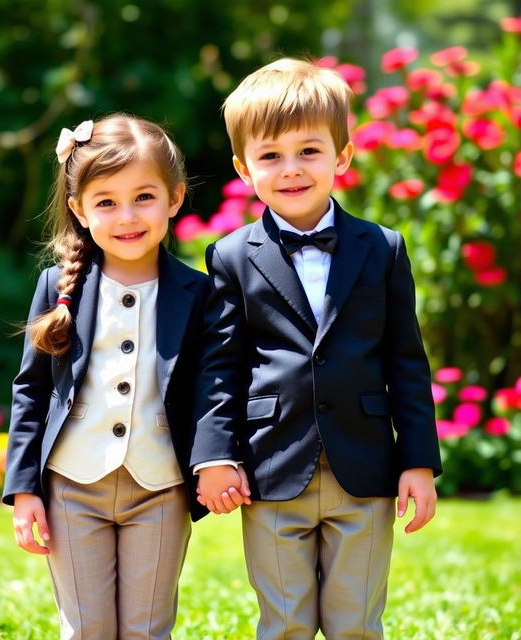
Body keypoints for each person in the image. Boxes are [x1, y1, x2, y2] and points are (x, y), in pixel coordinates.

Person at [191, 58, 442, 640]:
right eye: (271, 155)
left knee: (355, 621)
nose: (291, 169)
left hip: (366, 466)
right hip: (273, 468)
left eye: (309, 151)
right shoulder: (229, 257)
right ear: (243, 168)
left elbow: (406, 359)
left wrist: (419, 461)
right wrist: (213, 456)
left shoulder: (382, 248)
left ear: (342, 157)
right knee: (284, 622)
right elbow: (220, 367)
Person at [2, 113, 209, 640]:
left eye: (144, 197)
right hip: (73, 486)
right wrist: (24, 489)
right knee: (87, 627)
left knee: (146, 627)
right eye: (106, 202)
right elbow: (32, 390)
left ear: (175, 198)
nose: (127, 216)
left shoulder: (197, 293)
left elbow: (212, 390)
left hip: (159, 489)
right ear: (78, 208)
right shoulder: (58, 285)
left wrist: (214, 461)